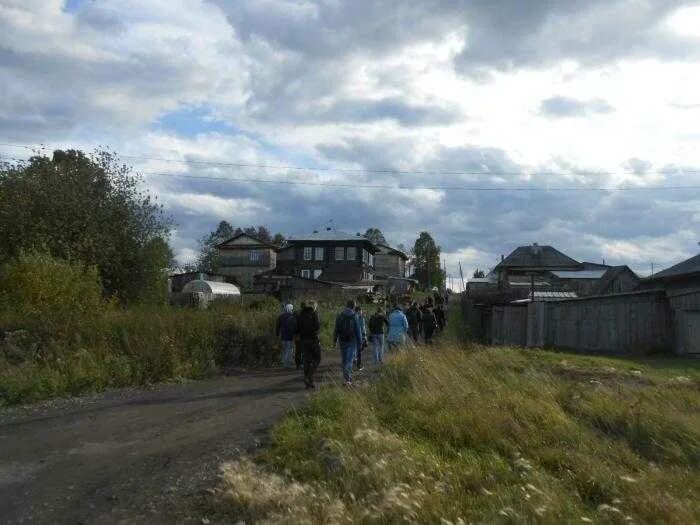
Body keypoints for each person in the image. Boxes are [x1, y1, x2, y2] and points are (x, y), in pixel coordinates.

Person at [334, 300, 363, 387]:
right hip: (352, 341)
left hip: (342, 340)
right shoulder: (355, 316)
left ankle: (346, 378)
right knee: (350, 360)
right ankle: (348, 379)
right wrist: (360, 342)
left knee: (344, 359)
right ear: (353, 306)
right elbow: (358, 330)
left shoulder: (340, 315)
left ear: (346, 305)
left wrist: (334, 340)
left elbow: (336, 329)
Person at [297, 300, 321, 389]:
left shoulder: (301, 314)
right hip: (313, 340)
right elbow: (317, 327)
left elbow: (297, 327)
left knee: (307, 360)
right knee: (317, 359)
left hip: (303, 340)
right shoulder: (314, 314)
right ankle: (308, 377)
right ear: (314, 306)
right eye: (315, 306)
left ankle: (309, 382)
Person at [275, 303, 297, 368]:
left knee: (284, 349)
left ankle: (284, 361)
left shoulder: (281, 316)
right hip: (290, 335)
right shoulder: (292, 316)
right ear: (291, 309)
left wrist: (277, 334)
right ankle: (288, 363)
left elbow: (278, 326)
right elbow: (295, 326)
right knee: (290, 349)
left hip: (283, 335)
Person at [354, 305, 368, 370]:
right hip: (359, 335)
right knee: (359, 350)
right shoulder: (361, 318)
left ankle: (355, 360)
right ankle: (358, 365)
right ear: (359, 311)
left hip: (353, 336)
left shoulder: (353, 316)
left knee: (357, 350)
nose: (362, 312)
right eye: (361, 311)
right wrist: (364, 336)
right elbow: (363, 328)